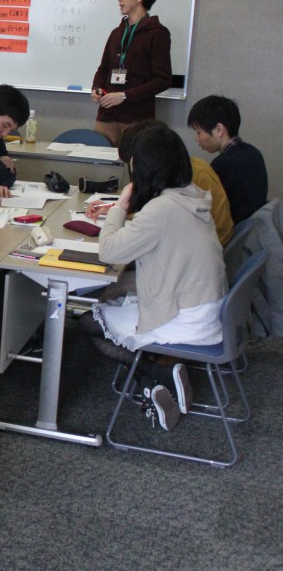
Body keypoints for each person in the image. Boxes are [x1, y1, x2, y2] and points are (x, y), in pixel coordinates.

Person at [81, 127, 226, 431]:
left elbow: (109, 251)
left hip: (184, 317)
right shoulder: (190, 194)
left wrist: (120, 207)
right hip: (206, 306)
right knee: (115, 297)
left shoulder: (161, 209)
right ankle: (156, 382)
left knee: (89, 322)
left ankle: (156, 376)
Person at [88, 120, 233, 245]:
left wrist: (120, 210)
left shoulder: (189, 177)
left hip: (211, 244)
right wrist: (118, 209)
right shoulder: (179, 168)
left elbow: (154, 218)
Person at [90, 0, 172, 146]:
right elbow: (103, 69)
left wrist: (125, 96)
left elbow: (163, 79)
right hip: (106, 117)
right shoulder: (116, 33)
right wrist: (96, 88)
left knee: (134, 162)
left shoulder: (157, 34)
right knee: (99, 160)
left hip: (137, 120)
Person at [186, 95, 268, 225]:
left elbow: (211, 208)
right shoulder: (253, 152)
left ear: (219, 130)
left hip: (235, 230)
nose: (197, 139)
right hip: (254, 229)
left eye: (199, 132)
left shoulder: (223, 164)